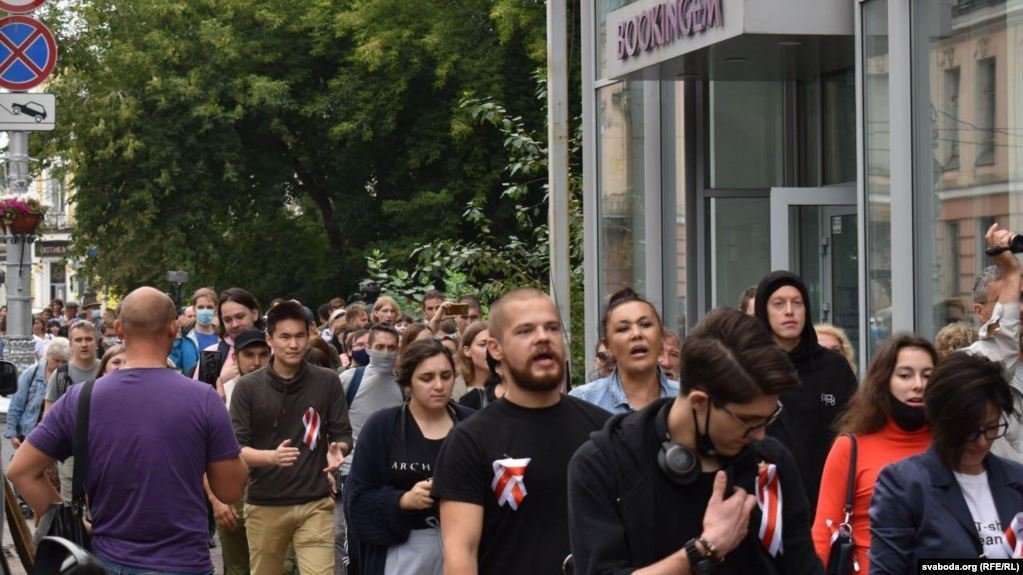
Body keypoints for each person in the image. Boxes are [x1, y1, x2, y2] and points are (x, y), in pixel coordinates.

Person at [8, 286, 248, 574]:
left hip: (108, 560)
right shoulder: (203, 399)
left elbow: (20, 471)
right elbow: (231, 489)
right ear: (174, 329)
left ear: (119, 329)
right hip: (183, 562)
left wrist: (69, 520)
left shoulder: (80, 398)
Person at [567, 308, 821, 574]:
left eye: (769, 418)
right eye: (747, 421)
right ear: (699, 402)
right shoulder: (604, 462)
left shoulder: (770, 463)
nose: (759, 435)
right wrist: (706, 549)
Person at [431, 287, 611, 573]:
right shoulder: (470, 440)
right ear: (495, 348)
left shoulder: (603, 430)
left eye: (551, 328)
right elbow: (461, 553)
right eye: (525, 331)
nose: (543, 337)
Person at [230, 300, 353, 575]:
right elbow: (237, 448)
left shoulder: (327, 380)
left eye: (299, 336)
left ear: (310, 335)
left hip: (315, 501)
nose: (294, 344)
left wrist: (338, 448)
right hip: (265, 503)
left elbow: (343, 432)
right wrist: (270, 457)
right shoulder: (247, 388)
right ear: (269, 339)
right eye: (285, 337)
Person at [869, 352, 1023, 571]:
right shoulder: (905, 485)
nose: (980, 442)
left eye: (991, 428)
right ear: (941, 421)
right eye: (969, 431)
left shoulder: (1016, 480)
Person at [344, 340, 475, 575]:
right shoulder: (382, 426)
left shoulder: (472, 424)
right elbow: (356, 503)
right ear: (407, 382)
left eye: (446, 376)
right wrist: (403, 501)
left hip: (468, 545)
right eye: (426, 378)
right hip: (403, 551)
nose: (439, 385)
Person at [812, 335, 936, 574]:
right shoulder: (851, 447)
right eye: (905, 375)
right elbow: (824, 529)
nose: (918, 385)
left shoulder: (950, 445)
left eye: (928, 375)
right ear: (884, 381)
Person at [754, 271, 858, 515]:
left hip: (828, 496)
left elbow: (856, 428)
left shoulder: (834, 367)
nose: (789, 311)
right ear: (763, 311)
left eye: (797, 303)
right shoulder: (749, 366)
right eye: (779, 304)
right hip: (767, 500)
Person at [337, 323, 403, 573]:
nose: (386, 353)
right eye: (380, 347)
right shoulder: (349, 379)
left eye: (391, 348)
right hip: (351, 469)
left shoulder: (405, 384)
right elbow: (331, 423)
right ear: (368, 348)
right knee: (352, 534)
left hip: (392, 472)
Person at [211, 328, 271, 575]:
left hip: (273, 493)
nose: (256, 362)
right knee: (237, 569)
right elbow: (205, 453)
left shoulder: (283, 389)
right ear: (235, 358)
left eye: (262, 354)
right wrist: (216, 501)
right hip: (232, 492)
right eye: (248, 355)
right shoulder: (218, 394)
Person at [571, 287, 679, 414]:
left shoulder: (687, 398)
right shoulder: (583, 400)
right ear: (608, 345)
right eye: (623, 328)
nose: (636, 334)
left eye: (645, 325)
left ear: (661, 337)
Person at [42, 320, 100, 503]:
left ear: (96, 342)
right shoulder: (60, 375)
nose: (84, 344)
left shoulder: (107, 370)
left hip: (102, 450)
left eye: (89, 339)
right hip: (70, 453)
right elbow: (48, 416)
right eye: (79, 339)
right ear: (71, 344)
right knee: (71, 504)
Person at [6, 337, 69, 450]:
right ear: (48, 356)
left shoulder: (68, 377)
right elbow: (16, 404)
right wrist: (12, 434)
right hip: (28, 434)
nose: (60, 365)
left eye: (64, 361)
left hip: (54, 437)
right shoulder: (31, 373)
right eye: (56, 360)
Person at [197, 287, 259, 401]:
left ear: (254, 314)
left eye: (240, 317)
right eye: (228, 320)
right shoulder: (211, 354)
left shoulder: (275, 349)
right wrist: (221, 381)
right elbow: (198, 402)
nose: (234, 324)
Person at [171, 287, 219, 377]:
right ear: (194, 309)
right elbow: (173, 366)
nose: (205, 311)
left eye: (209, 307)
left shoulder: (223, 337)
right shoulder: (183, 338)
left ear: (215, 309)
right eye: (201, 307)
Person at [457, 322, 490, 404]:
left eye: (493, 344)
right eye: (482, 344)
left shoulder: (510, 386)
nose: (490, 350)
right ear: (467, 350)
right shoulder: (454, 389)